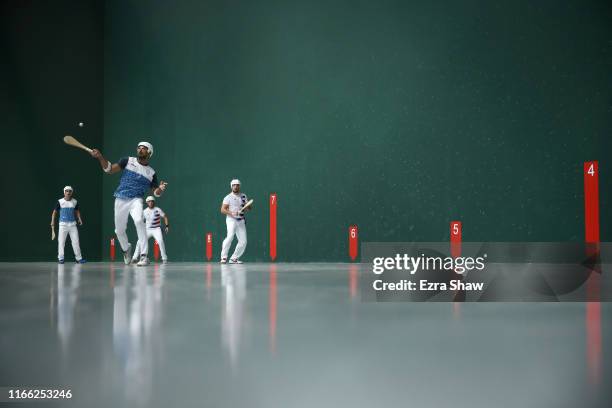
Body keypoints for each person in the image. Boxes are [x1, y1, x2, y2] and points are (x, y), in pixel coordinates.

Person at [90, 142, 168, 266]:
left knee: (138, 220)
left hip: (136, 200)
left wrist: (161, 189)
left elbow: (156, 193)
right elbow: (109, 170)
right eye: (139, 147)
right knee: (119, 231)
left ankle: (144, 256)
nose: (140, 149)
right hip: (120, 198)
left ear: (149, 153)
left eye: (144, 148)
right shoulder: (127, 161)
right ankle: (126, 249)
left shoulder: (151, 173)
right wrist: (100, 157)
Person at [50, 186, 86, 264]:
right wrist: (52, 221)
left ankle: (79, 259)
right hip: (63, 225)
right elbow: (54, 212)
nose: (68, 192)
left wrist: (79, 219)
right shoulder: (59, 202)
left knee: (76, 241)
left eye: (70, 191)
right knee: (61, 242)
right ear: (64, 192)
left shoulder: (75, 202)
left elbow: (77, 211)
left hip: (73, 225)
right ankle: (61, 258)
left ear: (71, 192)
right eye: (66, 191)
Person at [220, 179, 251, 264]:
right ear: (231, 186)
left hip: (241, 220)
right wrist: (232, 213)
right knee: (230, 237)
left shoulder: (243, 196)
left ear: (239, 186)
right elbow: (222, 210)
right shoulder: (228, 197)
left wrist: (247, 205)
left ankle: (234, 258)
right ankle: (223, 257)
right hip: (231, 220)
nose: (235, 186)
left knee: (243, 241)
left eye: (237, 185)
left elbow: (248, 208)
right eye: (234, 185)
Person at [131, 196, 170, 263]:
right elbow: (140, 221)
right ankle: (134, 257)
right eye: (149, 201)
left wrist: (167, 226)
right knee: (139, 242)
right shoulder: (144, 211)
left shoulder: (158, 209)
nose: (151, 203)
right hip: (147, 229)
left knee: (160, 241)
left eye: (152, 201)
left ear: (154, 202)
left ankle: (164, 258)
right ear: (147, 203)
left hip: (157, 229)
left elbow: (165, 217)